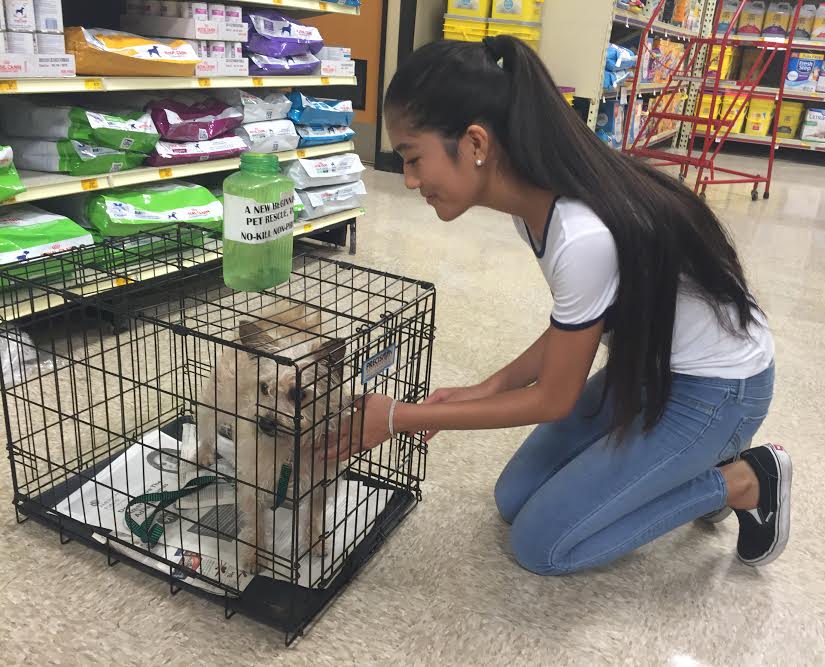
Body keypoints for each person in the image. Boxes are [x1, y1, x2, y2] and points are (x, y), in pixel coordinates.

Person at [324, 35, 792, 575]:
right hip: (647, 370)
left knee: (544, 544)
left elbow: (553, 398)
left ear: (475, 142)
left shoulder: (579, 232)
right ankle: (688, 460)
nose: (408, 181)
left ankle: (743, 479)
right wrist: (488, 387)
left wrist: (404, 417)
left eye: (413, 158)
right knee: (513, 497)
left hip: (719, 391)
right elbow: (576, 325)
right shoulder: (535, 208)